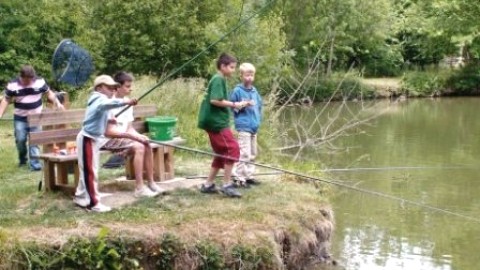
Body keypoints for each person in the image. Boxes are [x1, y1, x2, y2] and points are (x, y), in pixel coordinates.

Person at [73, 75, 140, 212]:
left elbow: (105, 113)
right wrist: (125, 102)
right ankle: (94, 204)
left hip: (93, 139)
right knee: (90, 172)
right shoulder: (99, 98)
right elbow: (105, 105)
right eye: (109, 87)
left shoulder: (102, 100)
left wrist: (112, 119)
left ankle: (80, 197)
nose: (112, 90)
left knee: (88, 170)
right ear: (99, 88)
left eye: (114, 87)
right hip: (88, 138)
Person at [197, 53, 251, 198]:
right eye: (232, 67)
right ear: (223, 66)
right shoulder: (218, 79)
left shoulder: (220, 79)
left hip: (216, 121)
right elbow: (214, 100)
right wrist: (235, 104)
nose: (234, 70)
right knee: (233, 149)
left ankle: (208, 185)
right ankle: (227, 184)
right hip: (216, 123)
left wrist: (237, 104)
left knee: (221, 153)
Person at [103, 71, 164, 197]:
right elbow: (109, 131)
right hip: (108, 139)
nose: (130, 89)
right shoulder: (109, 103)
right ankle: (139, 188)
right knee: (139, 146)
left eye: (131, 86)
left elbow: (129, 128)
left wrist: (139, 136)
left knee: (146, 143)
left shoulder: (128, 102)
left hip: (124, 137)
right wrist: (132, 137)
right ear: (117, 87)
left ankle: (151, 183)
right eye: (127, 86)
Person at [0, 65, 65, 171]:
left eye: (31, 79)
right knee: (20, 140)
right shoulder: (12, 84)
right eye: (27, 80)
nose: (30, 82)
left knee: (35, 140)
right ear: (22, 77)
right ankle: (23, 159)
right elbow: (6, 99)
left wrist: (57, 103)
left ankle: (35, 165)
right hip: (20, 117)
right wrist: (0, 113)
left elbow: (49, 94)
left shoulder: (39, 82)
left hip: (36, 117)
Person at [230, 63, 262, 187]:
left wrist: (258, 120)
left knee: (253, 153)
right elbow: (233, 108)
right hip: (243, 126)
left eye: (251, 75)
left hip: (254, 126)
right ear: (241, 76)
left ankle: (249, 176)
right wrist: (243, 104)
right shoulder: (238, 90)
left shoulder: (254, 91)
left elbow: (259, 107)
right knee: (244, 153)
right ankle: (239, 177)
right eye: (247, 75)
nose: (249, 78)